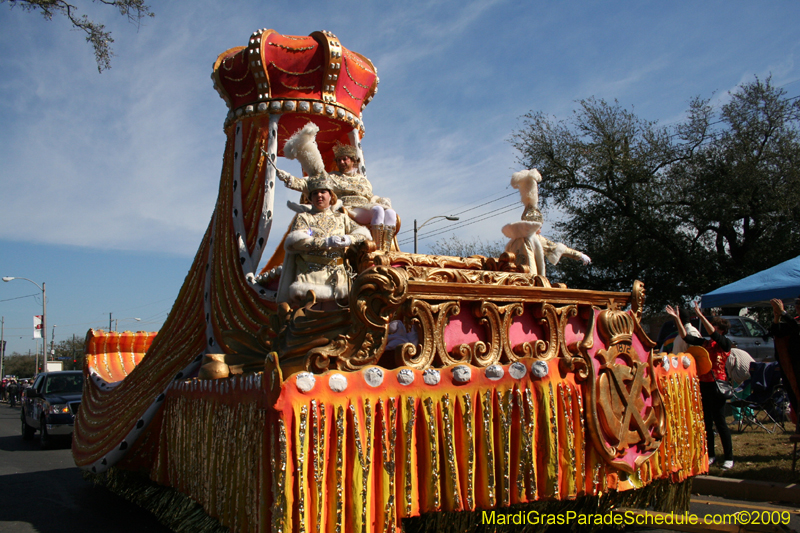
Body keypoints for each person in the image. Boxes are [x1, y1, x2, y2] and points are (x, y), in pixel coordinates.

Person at [276, 124, 397, 251]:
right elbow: (310, 182)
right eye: (339, 160)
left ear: (352, 160)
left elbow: (369, 196)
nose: (341, 163)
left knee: (390, 212)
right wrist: (289, 178)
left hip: (366, 206)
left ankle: (387, 250)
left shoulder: (363, 180)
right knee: (378, 210)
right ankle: (376, 249)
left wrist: (379, 200)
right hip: (349, 209)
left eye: (344, 159)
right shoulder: (332, 177)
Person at [276, 175, 371, 308]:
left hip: (338, 279)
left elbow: (363, 234)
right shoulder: (304, 218)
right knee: (311, 321)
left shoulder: (342, 218)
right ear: (310, 198)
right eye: (315, 193)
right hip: (309, 277)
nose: (319, 195)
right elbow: (297, 242)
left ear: (331, 196)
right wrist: (325, 243)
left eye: (323, 192)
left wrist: (349, 239)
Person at [666, 301, 734, 468]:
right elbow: (685, 337)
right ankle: (710, 454)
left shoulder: (725, 344)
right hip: (704, 384)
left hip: (718, 385)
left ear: (722, 330)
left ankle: (729, 457)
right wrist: (677, 320)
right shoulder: (705, 343)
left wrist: (702, 316)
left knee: (720, 422)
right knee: (706, 422)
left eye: (716, 327)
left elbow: (716, 336)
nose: (712, 329)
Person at [769, 297, 800, 431]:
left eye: (799, 304)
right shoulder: (795, 320)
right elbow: (777, 333)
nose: (797, 306)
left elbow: (797, 328)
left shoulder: (794, 322)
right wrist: (777, 318)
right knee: (795, 397)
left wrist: (784, 314)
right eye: (796, 304)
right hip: (792, 366)